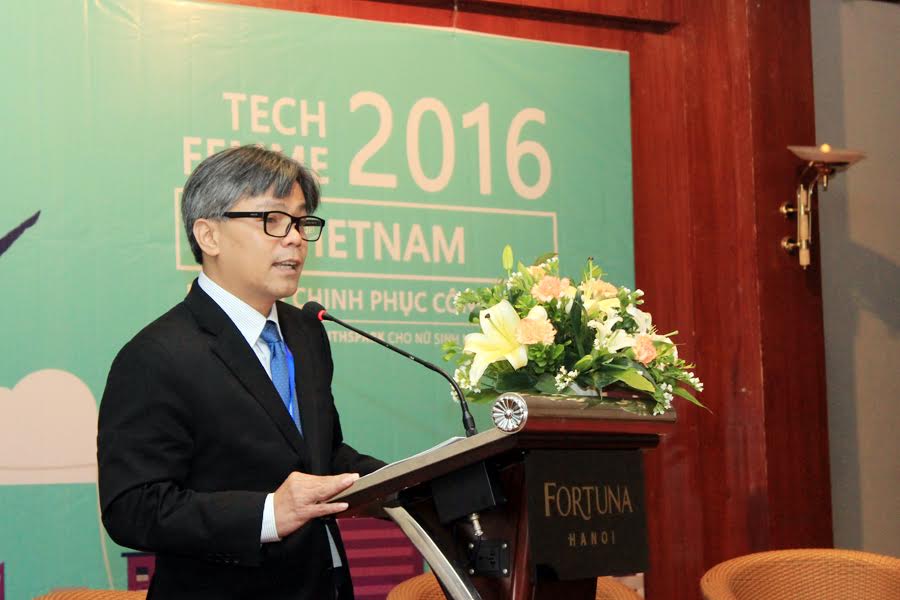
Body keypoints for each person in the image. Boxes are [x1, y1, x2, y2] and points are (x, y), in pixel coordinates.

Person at [97, 145, 384, 599]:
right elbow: (133, 508)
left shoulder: (306, 332)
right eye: (273, 219)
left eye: (300, 222)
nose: (294, 238)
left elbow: (320, 456)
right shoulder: (155, 356)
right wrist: (267, 514)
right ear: (209, 235)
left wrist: (417, 480)